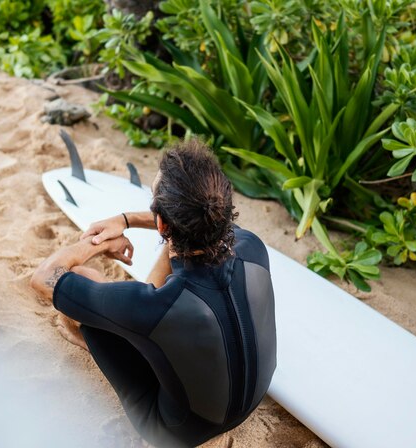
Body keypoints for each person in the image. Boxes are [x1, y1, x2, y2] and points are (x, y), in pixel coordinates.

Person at [30, 139, 276, 447]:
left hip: (177, 431)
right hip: (251, 400)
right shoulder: (252, 246)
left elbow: (44, 278)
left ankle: (80, 337)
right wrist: (125, 220)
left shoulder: (151, 306)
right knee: (173, 270)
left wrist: (101, 243)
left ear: (161, 222)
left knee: (83, 278)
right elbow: (187, 225)